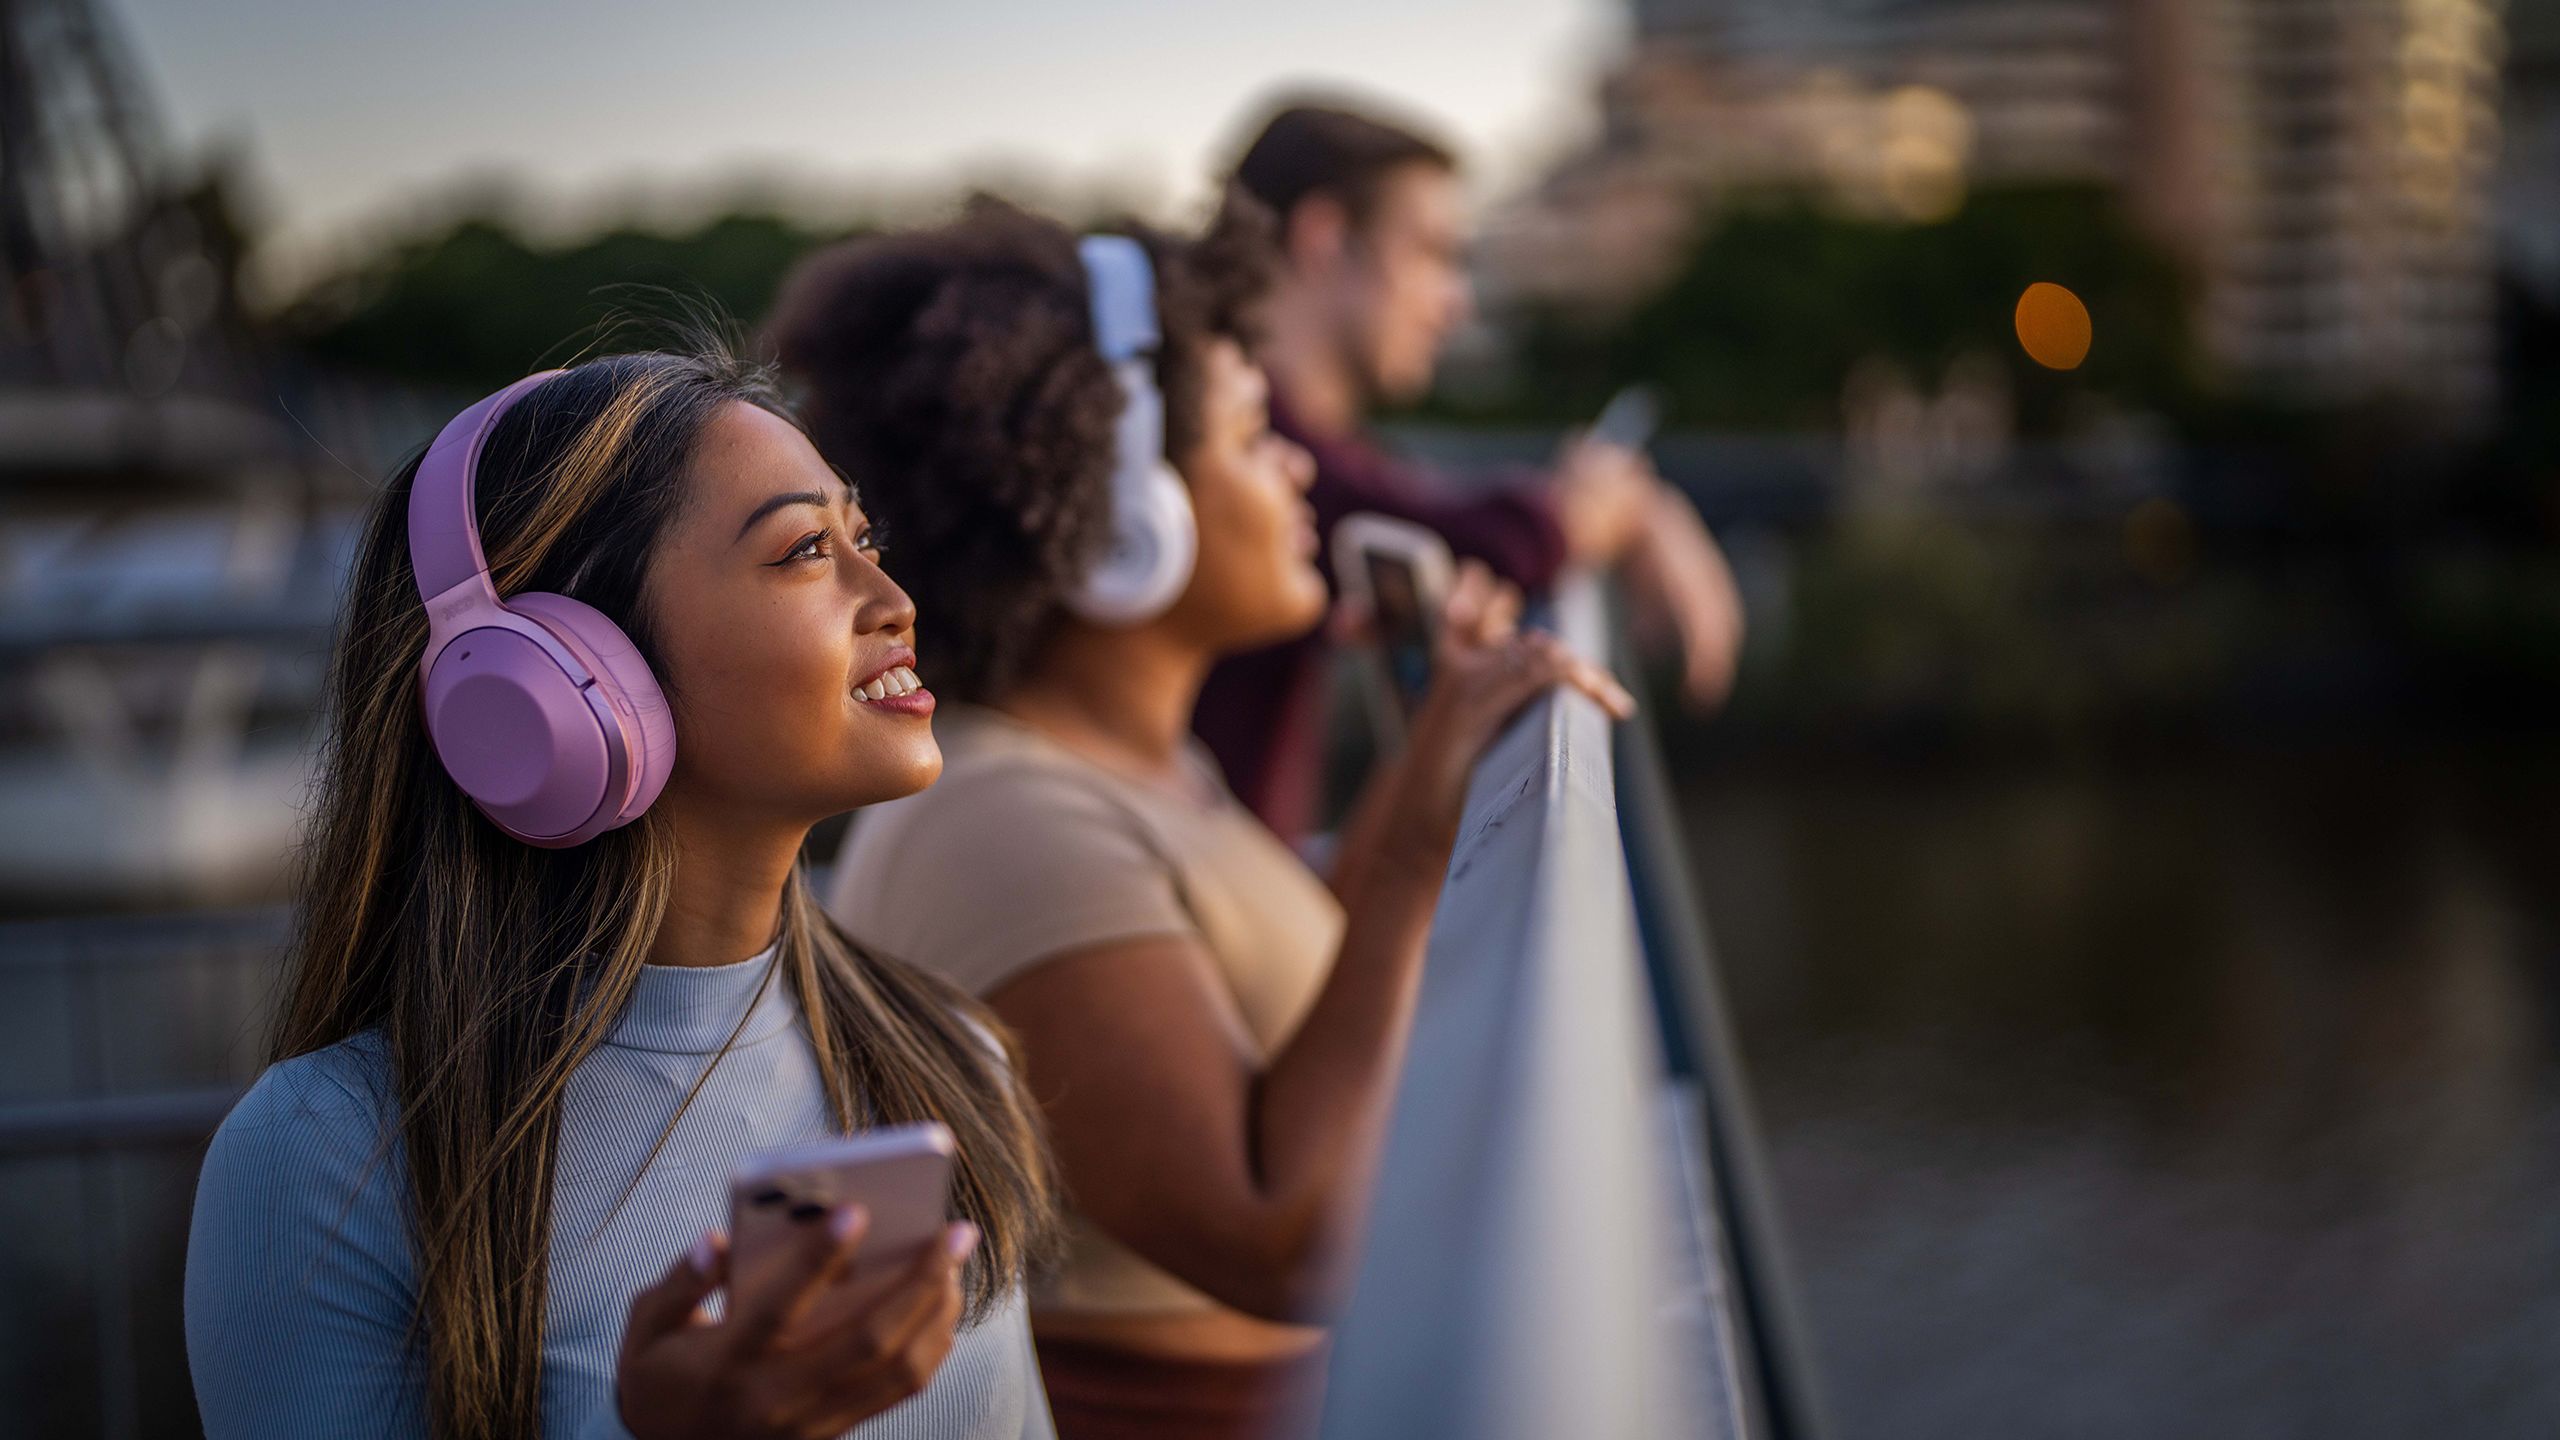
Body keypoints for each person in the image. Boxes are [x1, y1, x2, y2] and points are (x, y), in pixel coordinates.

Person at [769, 200, 1631, 1440]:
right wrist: (1407, 845)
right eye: (1250, 434)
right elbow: (1287, 1239)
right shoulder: (1006, 817)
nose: (1294, 468)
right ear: (1126, 517)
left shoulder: (1144, 769)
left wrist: (1428, 764)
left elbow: (1281, 1043)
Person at [183, 346, 1058, 1440]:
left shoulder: (950, 1055)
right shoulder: (325, 1157)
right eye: (803, 552)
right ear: (554, 676)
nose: (892, 600)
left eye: (864, 539)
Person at [1194, 97, 1748, 839]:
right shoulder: (1218, 439)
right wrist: (1613, 509)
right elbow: (1460, 537)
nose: (1453, 304)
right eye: (1431, 254)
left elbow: (1412, 506)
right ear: (1326, 239)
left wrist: (1634, 504)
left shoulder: (1294, 439)